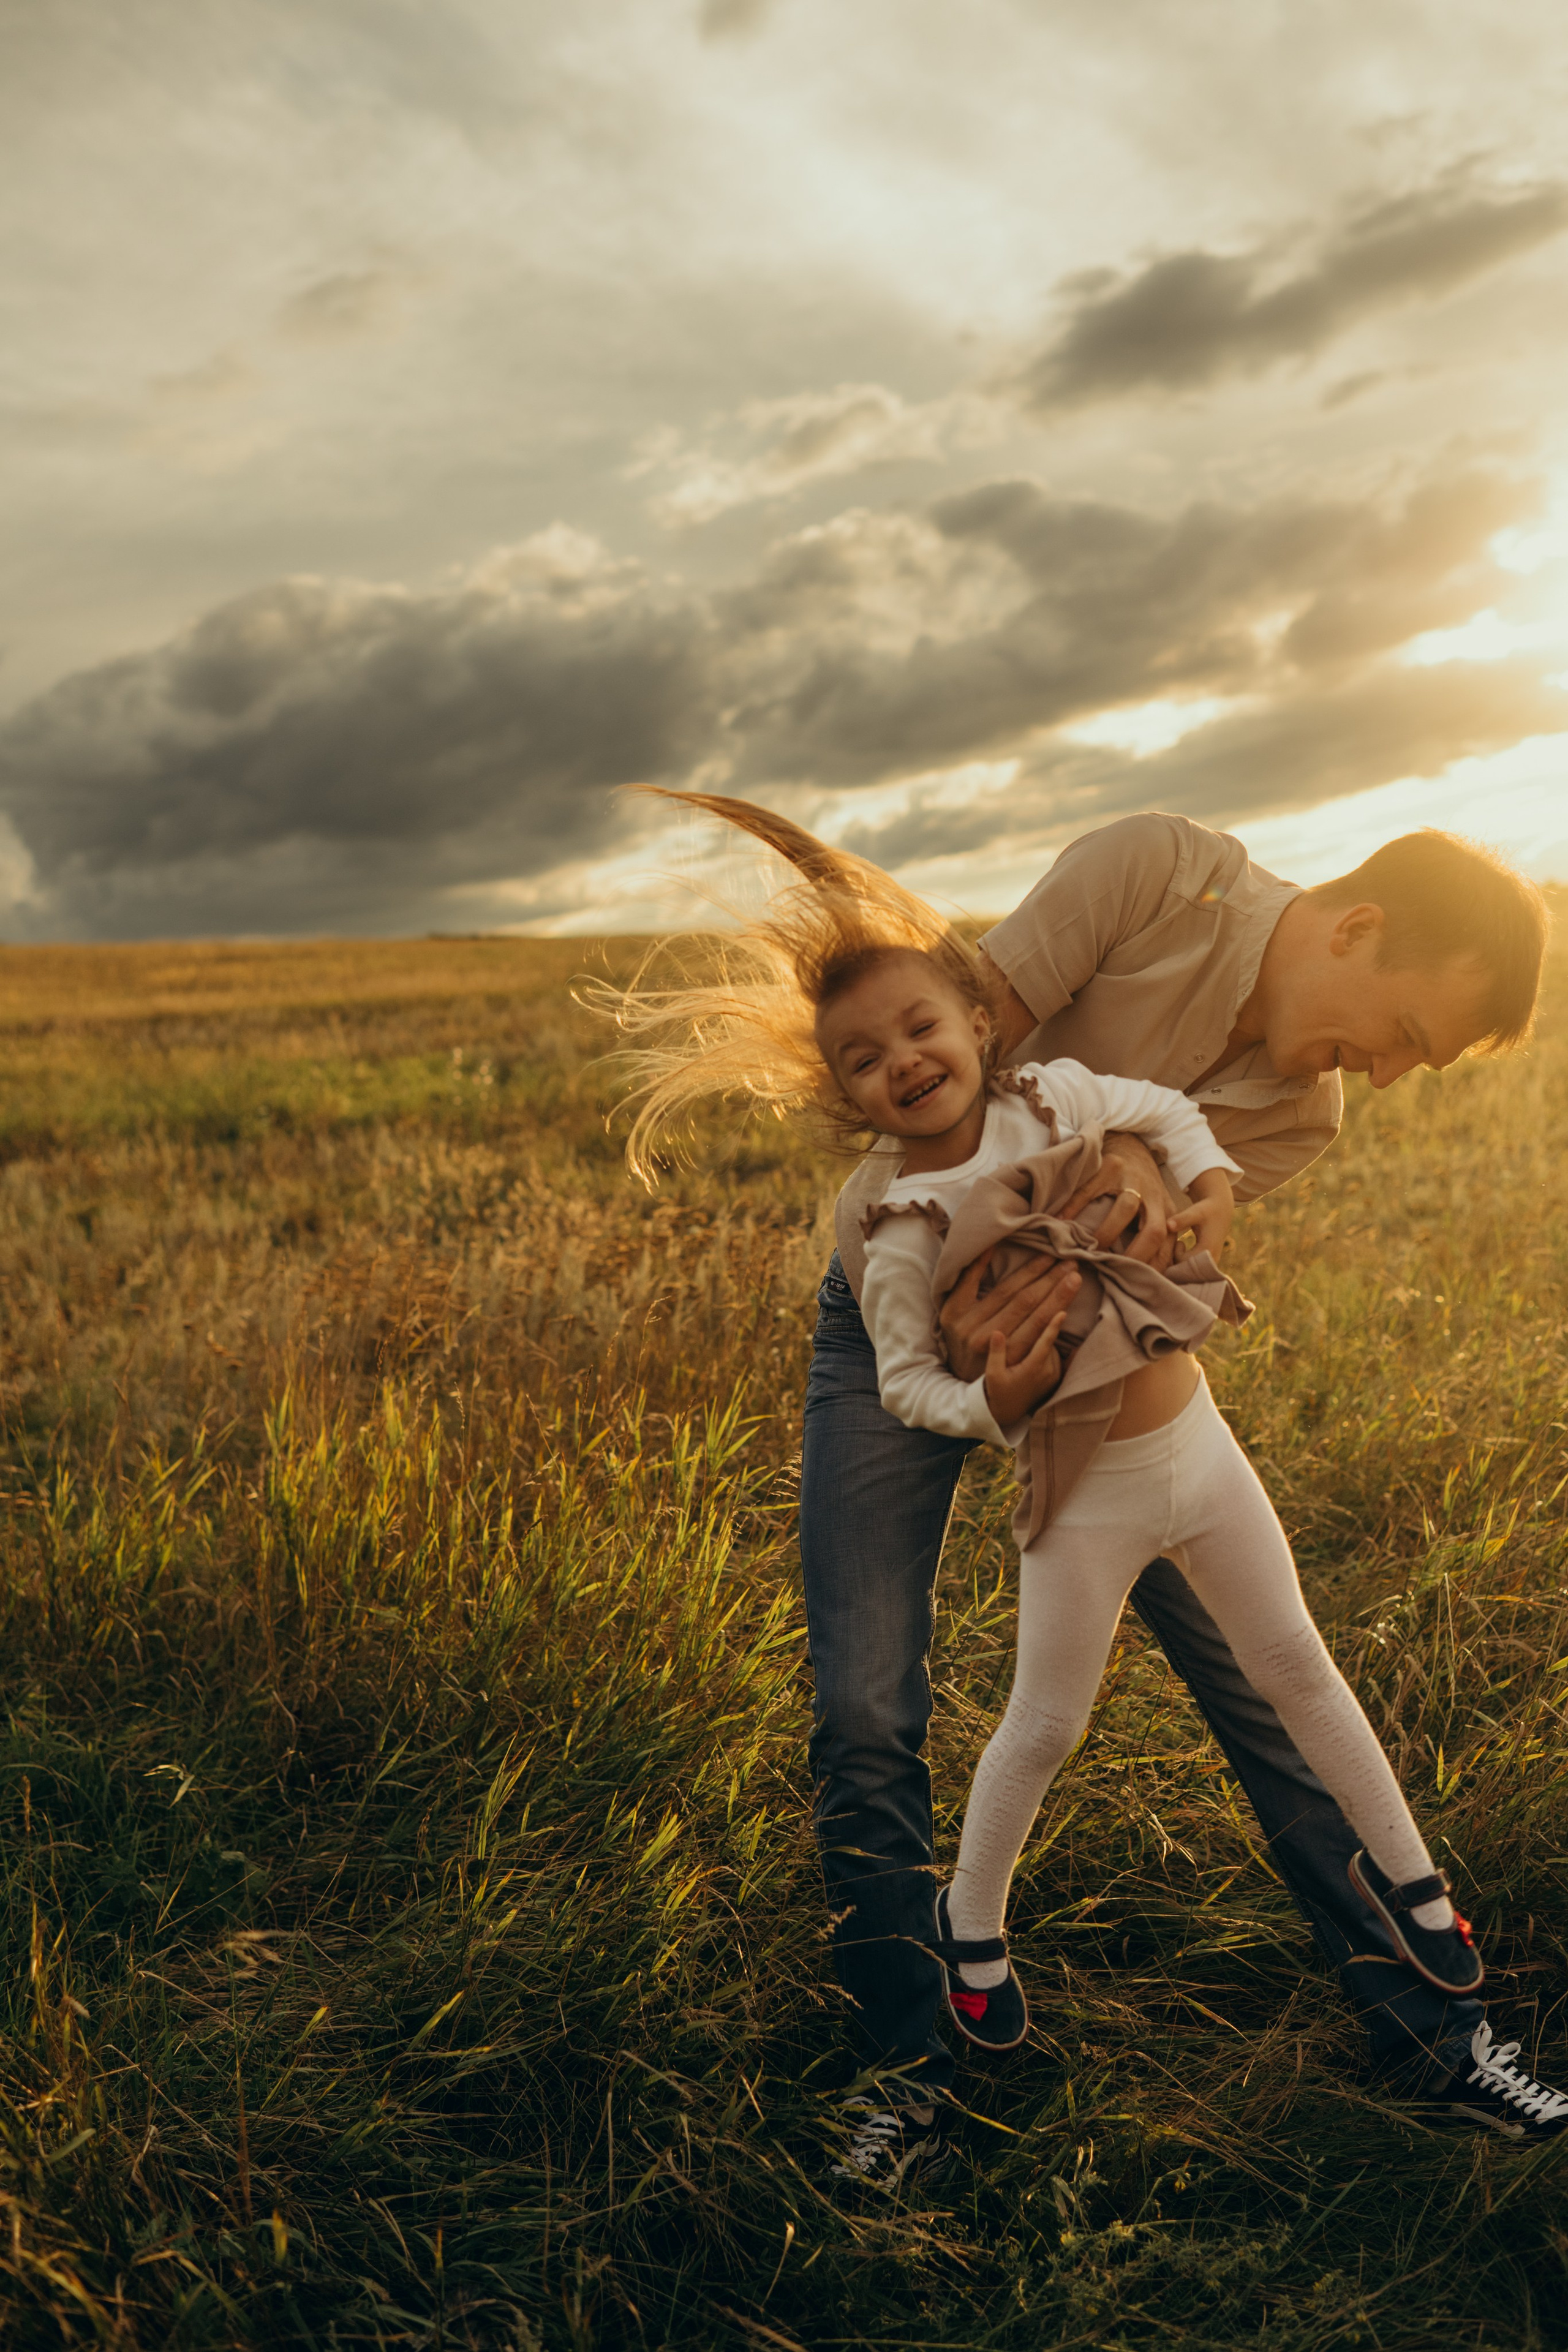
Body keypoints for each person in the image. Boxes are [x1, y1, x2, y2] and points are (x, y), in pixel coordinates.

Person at [603, 793, 1566, 2186]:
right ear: (1356, 927)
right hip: (896, 1328)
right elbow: (934, 1063)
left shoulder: (1305, 1120)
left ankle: (1435, 2042)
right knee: (867, 1701)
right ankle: (909, 2080)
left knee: (1267, 1677)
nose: (1395, 1073)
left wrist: (1119, 1234)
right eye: (1409, 1034)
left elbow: (1143, 1285)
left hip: (1099, 1388)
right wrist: (1032, 1249)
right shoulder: (1153, 872)